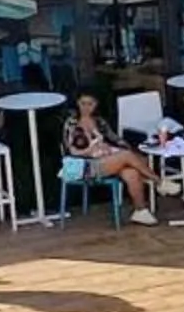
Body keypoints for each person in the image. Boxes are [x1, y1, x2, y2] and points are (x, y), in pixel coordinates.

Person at [61, 92, 167, 224]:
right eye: (83, 104)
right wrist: (92, 150)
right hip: (83, 166)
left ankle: (140, 211)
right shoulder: (72, 123)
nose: (86, 107)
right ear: (77, 103)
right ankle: (159, 182)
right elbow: (72, 151)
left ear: (96, 105)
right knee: (127, 156)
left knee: (131, 172)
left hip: (105, 160)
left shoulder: (100, 122)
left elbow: (116, 139)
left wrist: (115, 147)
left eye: (90, 104)